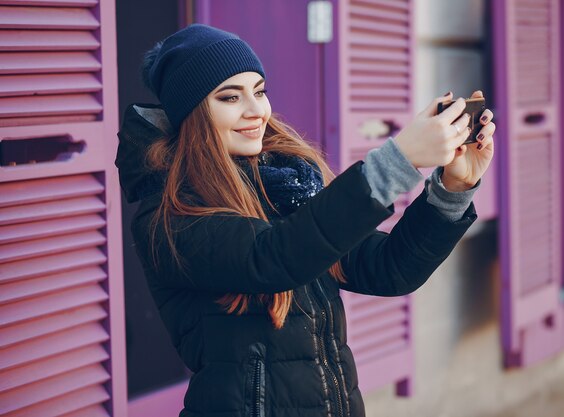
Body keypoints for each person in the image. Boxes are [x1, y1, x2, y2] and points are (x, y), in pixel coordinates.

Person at [115, 24, 495, 417]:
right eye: (230, 97)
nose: (256, 111)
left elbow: (388, 269)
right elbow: (274, 259)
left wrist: (453, 188)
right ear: (191, 114)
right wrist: (398, 162)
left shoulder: (285, 185)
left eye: (259, 91)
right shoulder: (170, 214)